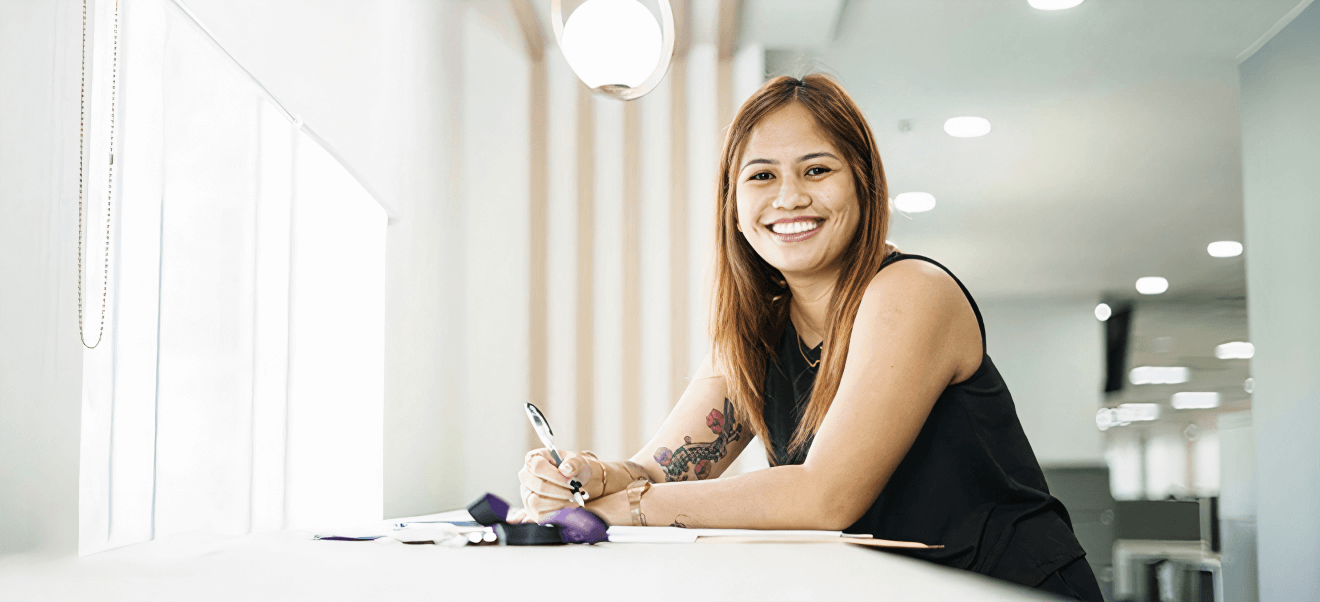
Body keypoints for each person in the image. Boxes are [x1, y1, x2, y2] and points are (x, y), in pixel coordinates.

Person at [515, 74, 1103, 601]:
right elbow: (666, 472)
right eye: (762, 176)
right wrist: (589, 480)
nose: (789, 197)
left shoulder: (912, 292)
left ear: (864, 185)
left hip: (1011, 587)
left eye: (816, 170)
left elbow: (824, 498)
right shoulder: (755, 332)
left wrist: (619, 510)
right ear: (734, 206)